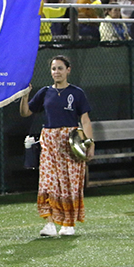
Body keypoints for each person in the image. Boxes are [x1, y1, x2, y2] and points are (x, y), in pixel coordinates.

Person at [20, 55, 93, 236]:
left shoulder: (77, 93)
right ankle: (50, 224)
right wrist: (24, 95)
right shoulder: (45, 92)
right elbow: (26, 112)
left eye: (60, 68)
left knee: (69, 183)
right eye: (53, 69)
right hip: (49, 144)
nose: (56, 72)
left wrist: (90, 143)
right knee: (48, 183)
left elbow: (85, 120)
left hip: (70, 143)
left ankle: (68, 224)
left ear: (68, 70)